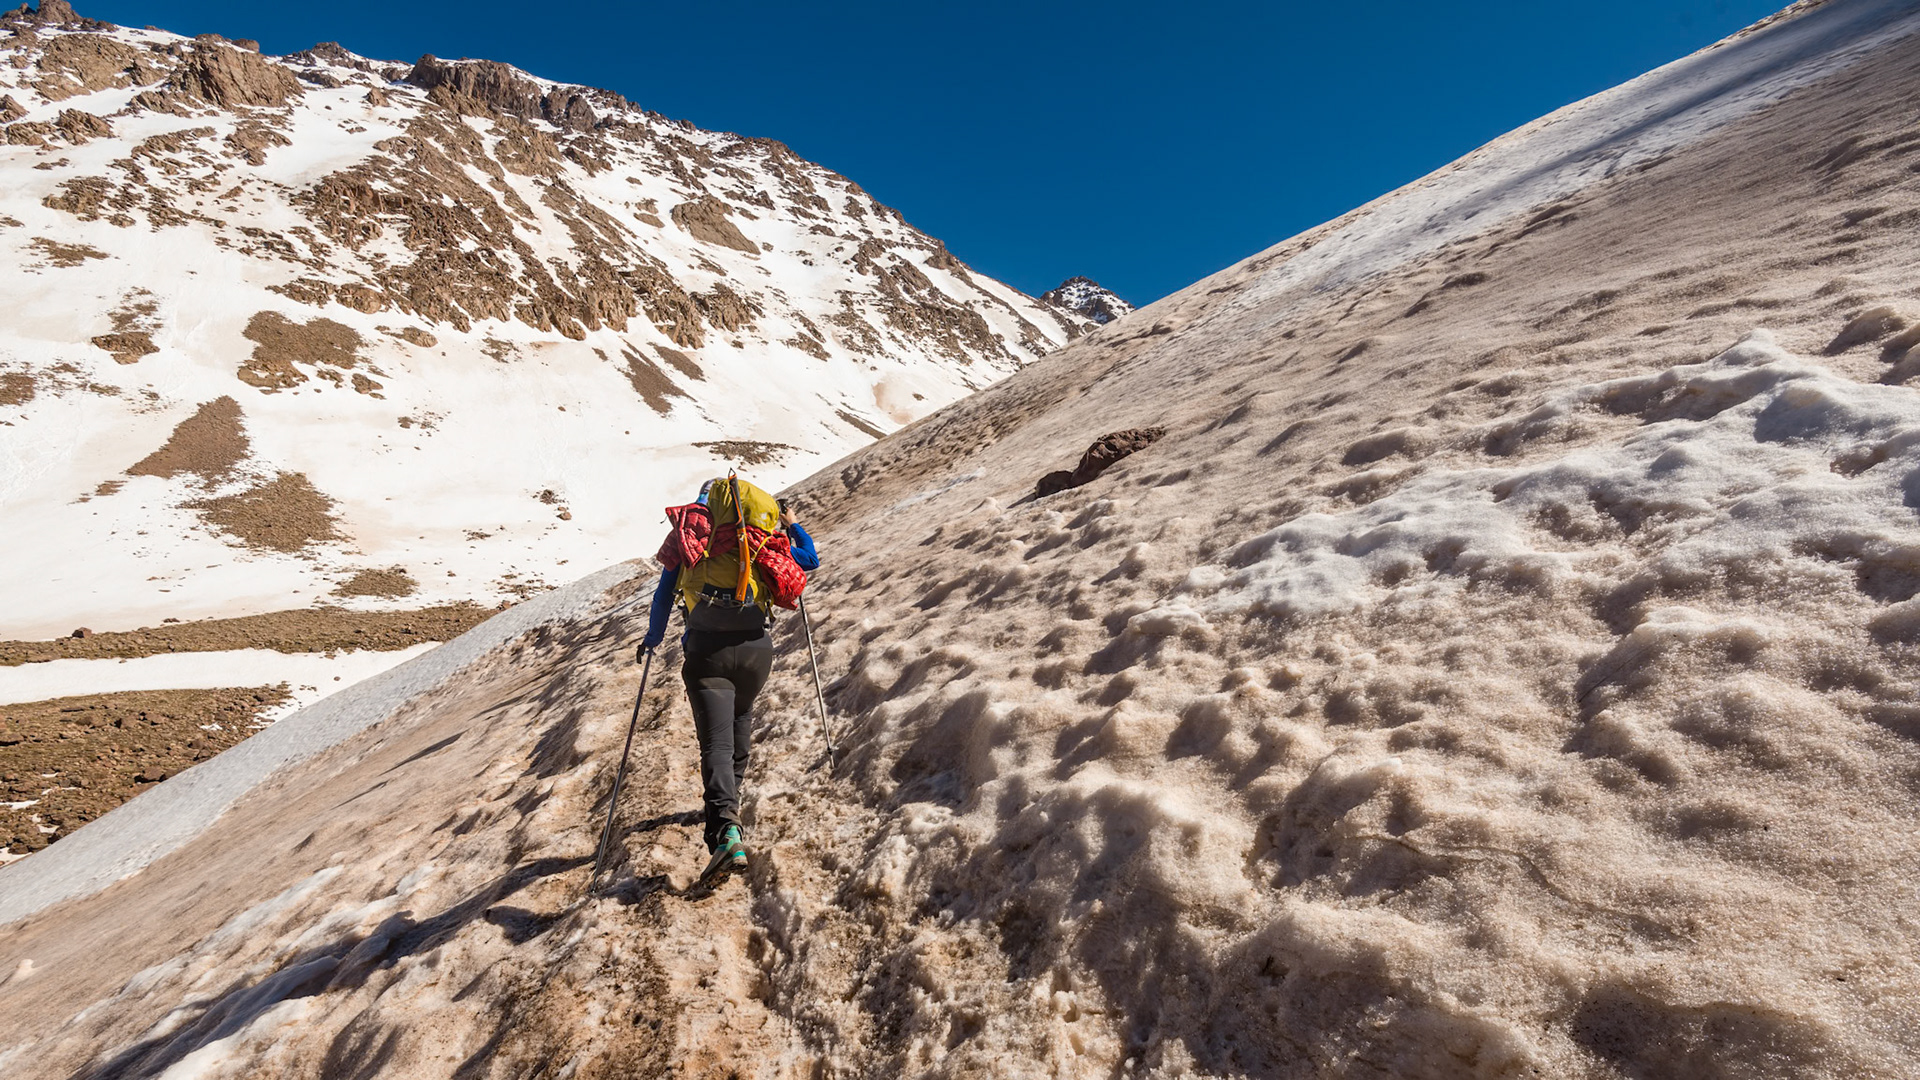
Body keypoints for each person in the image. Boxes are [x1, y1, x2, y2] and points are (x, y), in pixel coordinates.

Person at [640, 482, 819, 880]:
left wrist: (652, 639)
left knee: (716, 743)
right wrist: (792, 525)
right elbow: (810, 560)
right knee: (739, 724)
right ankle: (729, 808)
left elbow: (663, 596)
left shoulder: (691, 540)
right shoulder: (759, 539)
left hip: (707, 652)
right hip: (756, 652)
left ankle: (725, 832)